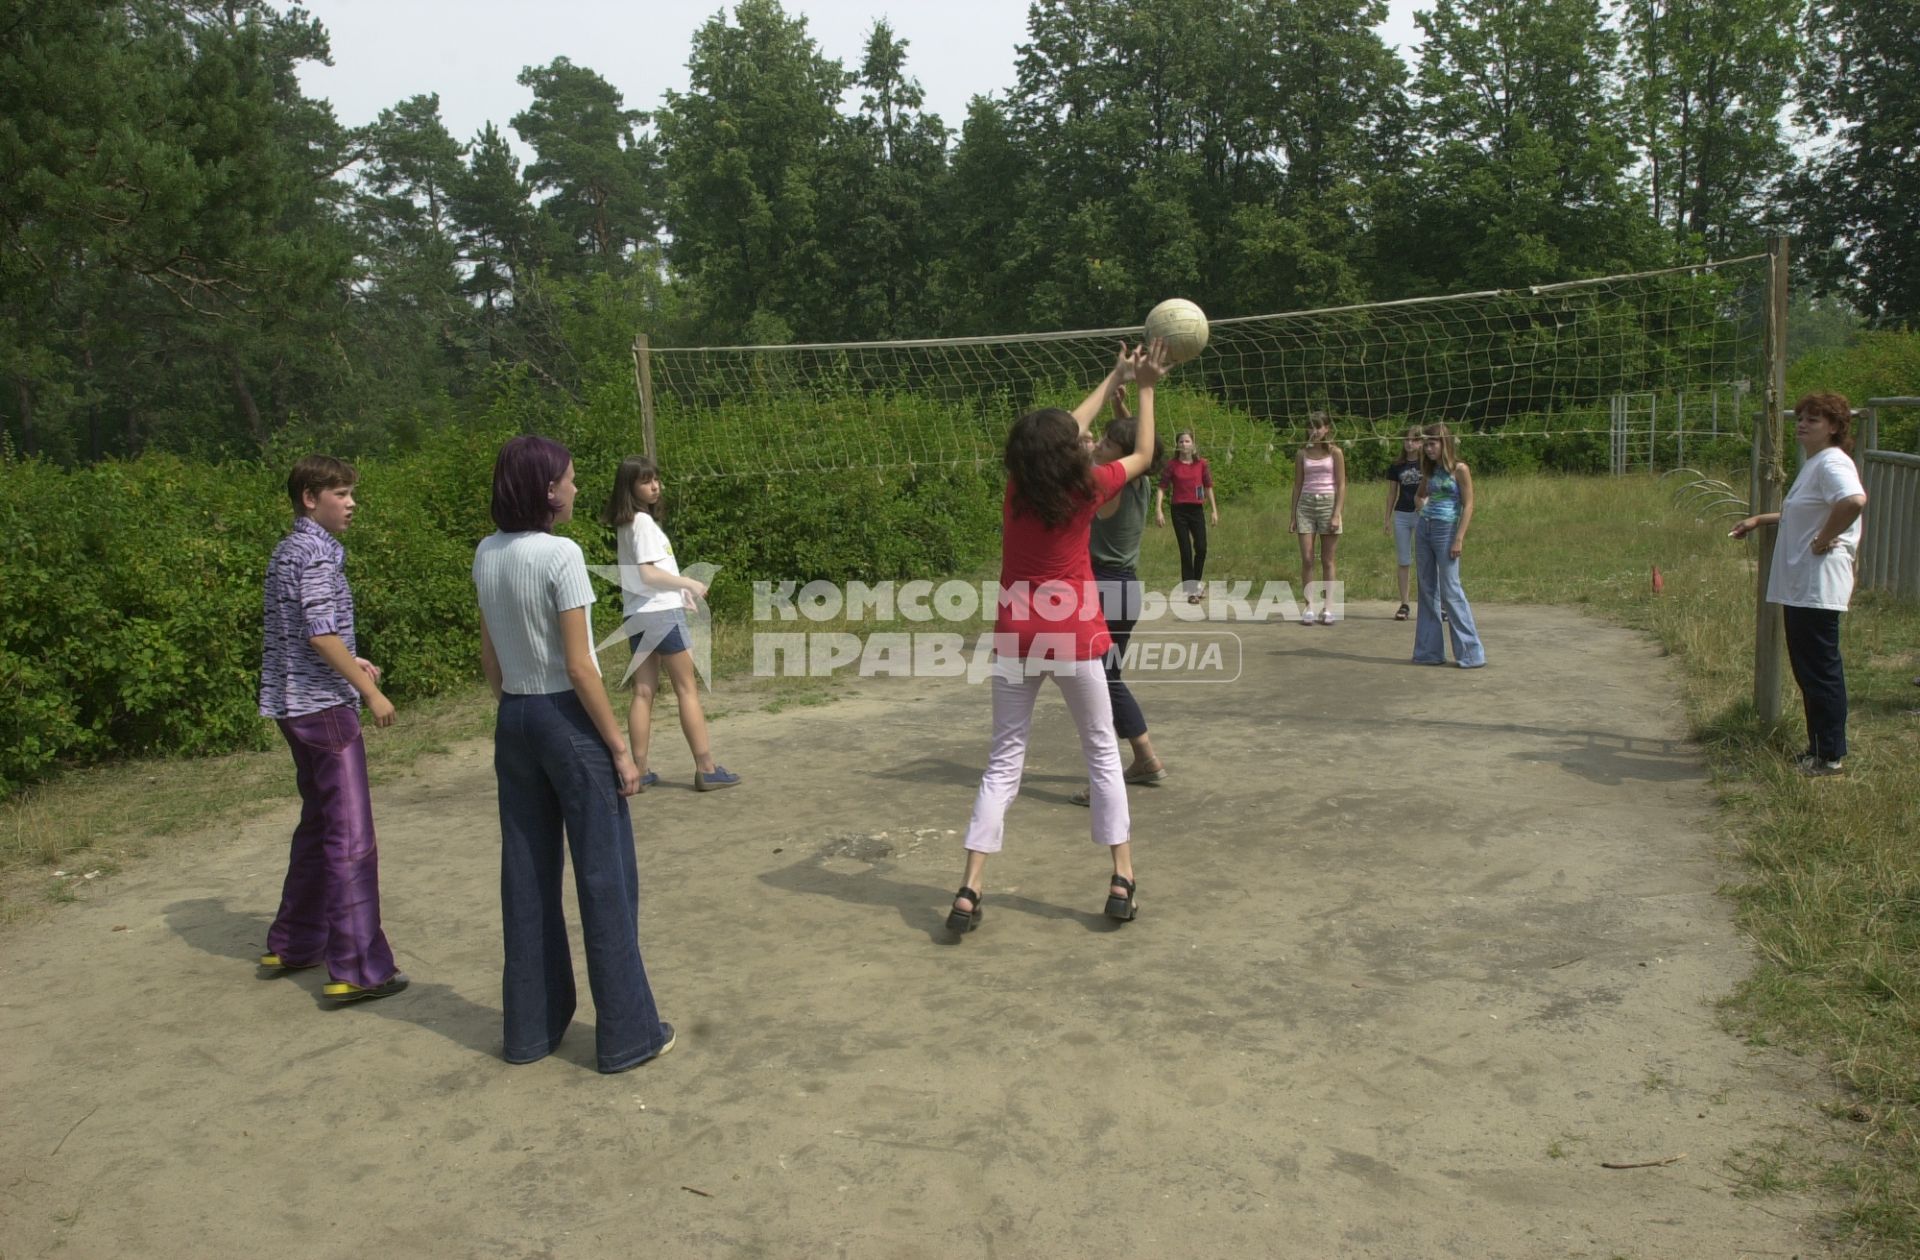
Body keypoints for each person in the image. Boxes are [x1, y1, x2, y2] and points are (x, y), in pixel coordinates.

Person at [949, 340, 1171, 937]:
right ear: (1067, 454)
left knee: (1003, 761)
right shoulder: (1090, 486)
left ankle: (970, 888)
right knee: (1101, 751)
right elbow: (1147, 453)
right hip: (1074, 635)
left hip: (1016, 636)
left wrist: (1112, 375)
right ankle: (1121, 879)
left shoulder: (1019, 489)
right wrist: (1142, 384)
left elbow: (1057, 434)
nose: (1082, 437)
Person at [473, 435, 675, 1072]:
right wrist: (618, 748)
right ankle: (627, 1035)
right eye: (569, 479)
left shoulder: (486, 552)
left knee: (527, 875)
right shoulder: (560, 554)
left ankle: (531, 1030)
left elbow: (491, 658)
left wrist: (518, 710)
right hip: (566, 718)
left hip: (515, 719)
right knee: (605, 876)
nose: (578, 488)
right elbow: (583, 667)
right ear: (546, 490)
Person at [257, 455, 409, 1003]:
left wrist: (354, 662)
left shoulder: (287, 549)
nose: (350, 504)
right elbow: (321, 635)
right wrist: (369, 692)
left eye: (350, 494)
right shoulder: (318, 554)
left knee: (320, 825)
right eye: (340, 493)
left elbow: (307, 635)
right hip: (324, 711)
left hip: (293, 706)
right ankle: (358, 965)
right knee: (351, 838)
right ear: (309, 498)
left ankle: (296, 941)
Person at [1730, 392, 1869, 775]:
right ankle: (1819, 747)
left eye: (1814, 420)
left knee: (1819, 670)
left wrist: (1825, 539)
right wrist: (1762, 519)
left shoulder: (1832, 463)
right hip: (1803, 584)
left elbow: (1854, 501)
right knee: (1810, 669)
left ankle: (1829, 754)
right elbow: (1807, 509)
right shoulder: (1816, 464)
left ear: (1836, 428)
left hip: (1817, 583)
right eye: (1801, 419)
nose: (1803, 425)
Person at [600, 455, 740, 792]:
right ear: (630, 487)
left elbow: (647, 575)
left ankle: (640, 771)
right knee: (686, 689)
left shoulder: (627, 524)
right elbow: (649, 573)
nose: (655, 485)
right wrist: (689, 584)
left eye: (656, 479)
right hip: (661, 614)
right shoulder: (644, 524)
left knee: (644, 691)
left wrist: (679, 593)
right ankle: (706, 768)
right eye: (645, 481)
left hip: (639, 614)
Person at [1070, 383, 1168, 807]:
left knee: (1100, 683)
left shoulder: (1106, 486)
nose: (1101, 443)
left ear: (1120, 453)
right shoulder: (1139, 481)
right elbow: (1140, 444)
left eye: (1109, 441)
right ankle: (1144, 758)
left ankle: (1106, 780)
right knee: (1109, 678)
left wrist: (1085, 445)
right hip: (1126, 587)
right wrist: (1123, 407)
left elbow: (1098, 454)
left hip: (1104, 587)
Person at [1411, 423, 1486, 668]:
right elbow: (1419, 495)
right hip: (1425, 528)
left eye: (1432, 443)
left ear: (1445, 443)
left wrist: (1459, 537)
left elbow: (1469, 505)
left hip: (1447, 529)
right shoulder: (1430, 469)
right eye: (1426, 444)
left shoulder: (1460, 469)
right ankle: (1428, 652)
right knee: (1426, 588)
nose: (1428, 448)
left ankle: (1470, 654)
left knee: (1451, 590)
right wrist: (1422, 507)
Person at [1291, 411, 1348, 624]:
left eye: (1318, 427)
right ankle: (1308, 606)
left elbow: (1341, 484)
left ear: (1327, 429)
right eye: (1311, 427)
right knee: (1307, 558)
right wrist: (1293, 515)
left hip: (1328, 504)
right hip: (1305, 504)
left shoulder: (1335, 452)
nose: (1314, 431)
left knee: (1328, 559)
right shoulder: (1301, 454)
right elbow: (1297, 485)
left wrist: (1336, 513)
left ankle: (1328, 607)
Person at [1154, 429, 1218, 604]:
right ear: (1177, 445)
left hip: (1196, 510)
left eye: (1187, 441)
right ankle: (1191, 591)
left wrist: (1214, 510)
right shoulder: (1172, 465)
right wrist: (1158, 509)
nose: (1184, 444)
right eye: (1181, 441)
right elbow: (1162, 487)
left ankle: (1196, 583)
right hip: (1179, 510)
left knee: (1202, 547)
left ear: (1193, 444)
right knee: (1186, 550)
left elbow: (1208, 486)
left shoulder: (1202, 464)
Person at [1383, 426, 1425, 621]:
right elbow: (1392, 493)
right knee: (1404, 560)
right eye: (1407, 440)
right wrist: (1387, 518)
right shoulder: (1396, 466)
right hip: (1402, 514)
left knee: (1426, 560)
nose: (1410, 443)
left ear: (1422, 442)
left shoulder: (1429, 464)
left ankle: (1435, 604)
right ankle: (1405, 604)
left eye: (1414, 440)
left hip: (1423, 514)